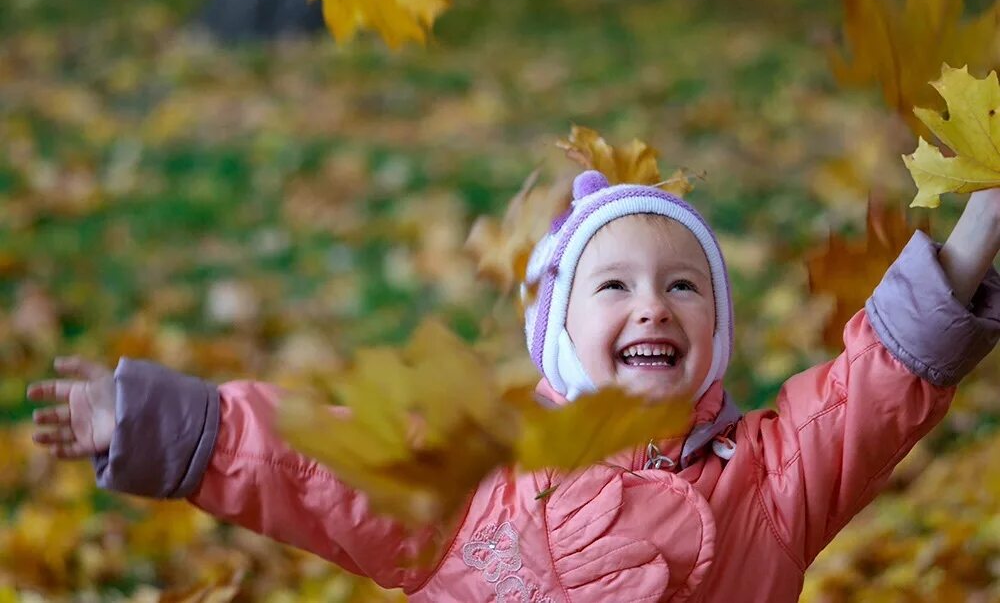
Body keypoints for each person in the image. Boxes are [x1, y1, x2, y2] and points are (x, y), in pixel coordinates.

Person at [27, 169, 1000, 601]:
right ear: (560, 337)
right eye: (612, 286)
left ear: (717, 331)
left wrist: (969, 241)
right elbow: (319, 463)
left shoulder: (772, 479)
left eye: (683, 286)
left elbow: (868, 390)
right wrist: (166, 425)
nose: (652, 306)